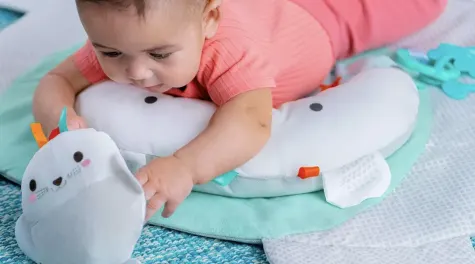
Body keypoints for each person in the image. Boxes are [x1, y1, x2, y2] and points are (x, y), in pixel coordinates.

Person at [32, 0, 447, 220]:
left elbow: (250, 123)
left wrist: (185, 167)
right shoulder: (127, 36)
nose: (136, 72)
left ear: (210, 19)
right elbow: (56, 82)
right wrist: (62, 125)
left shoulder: (229, 51)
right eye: (110, 52)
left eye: (160, 53)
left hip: (331, 16)